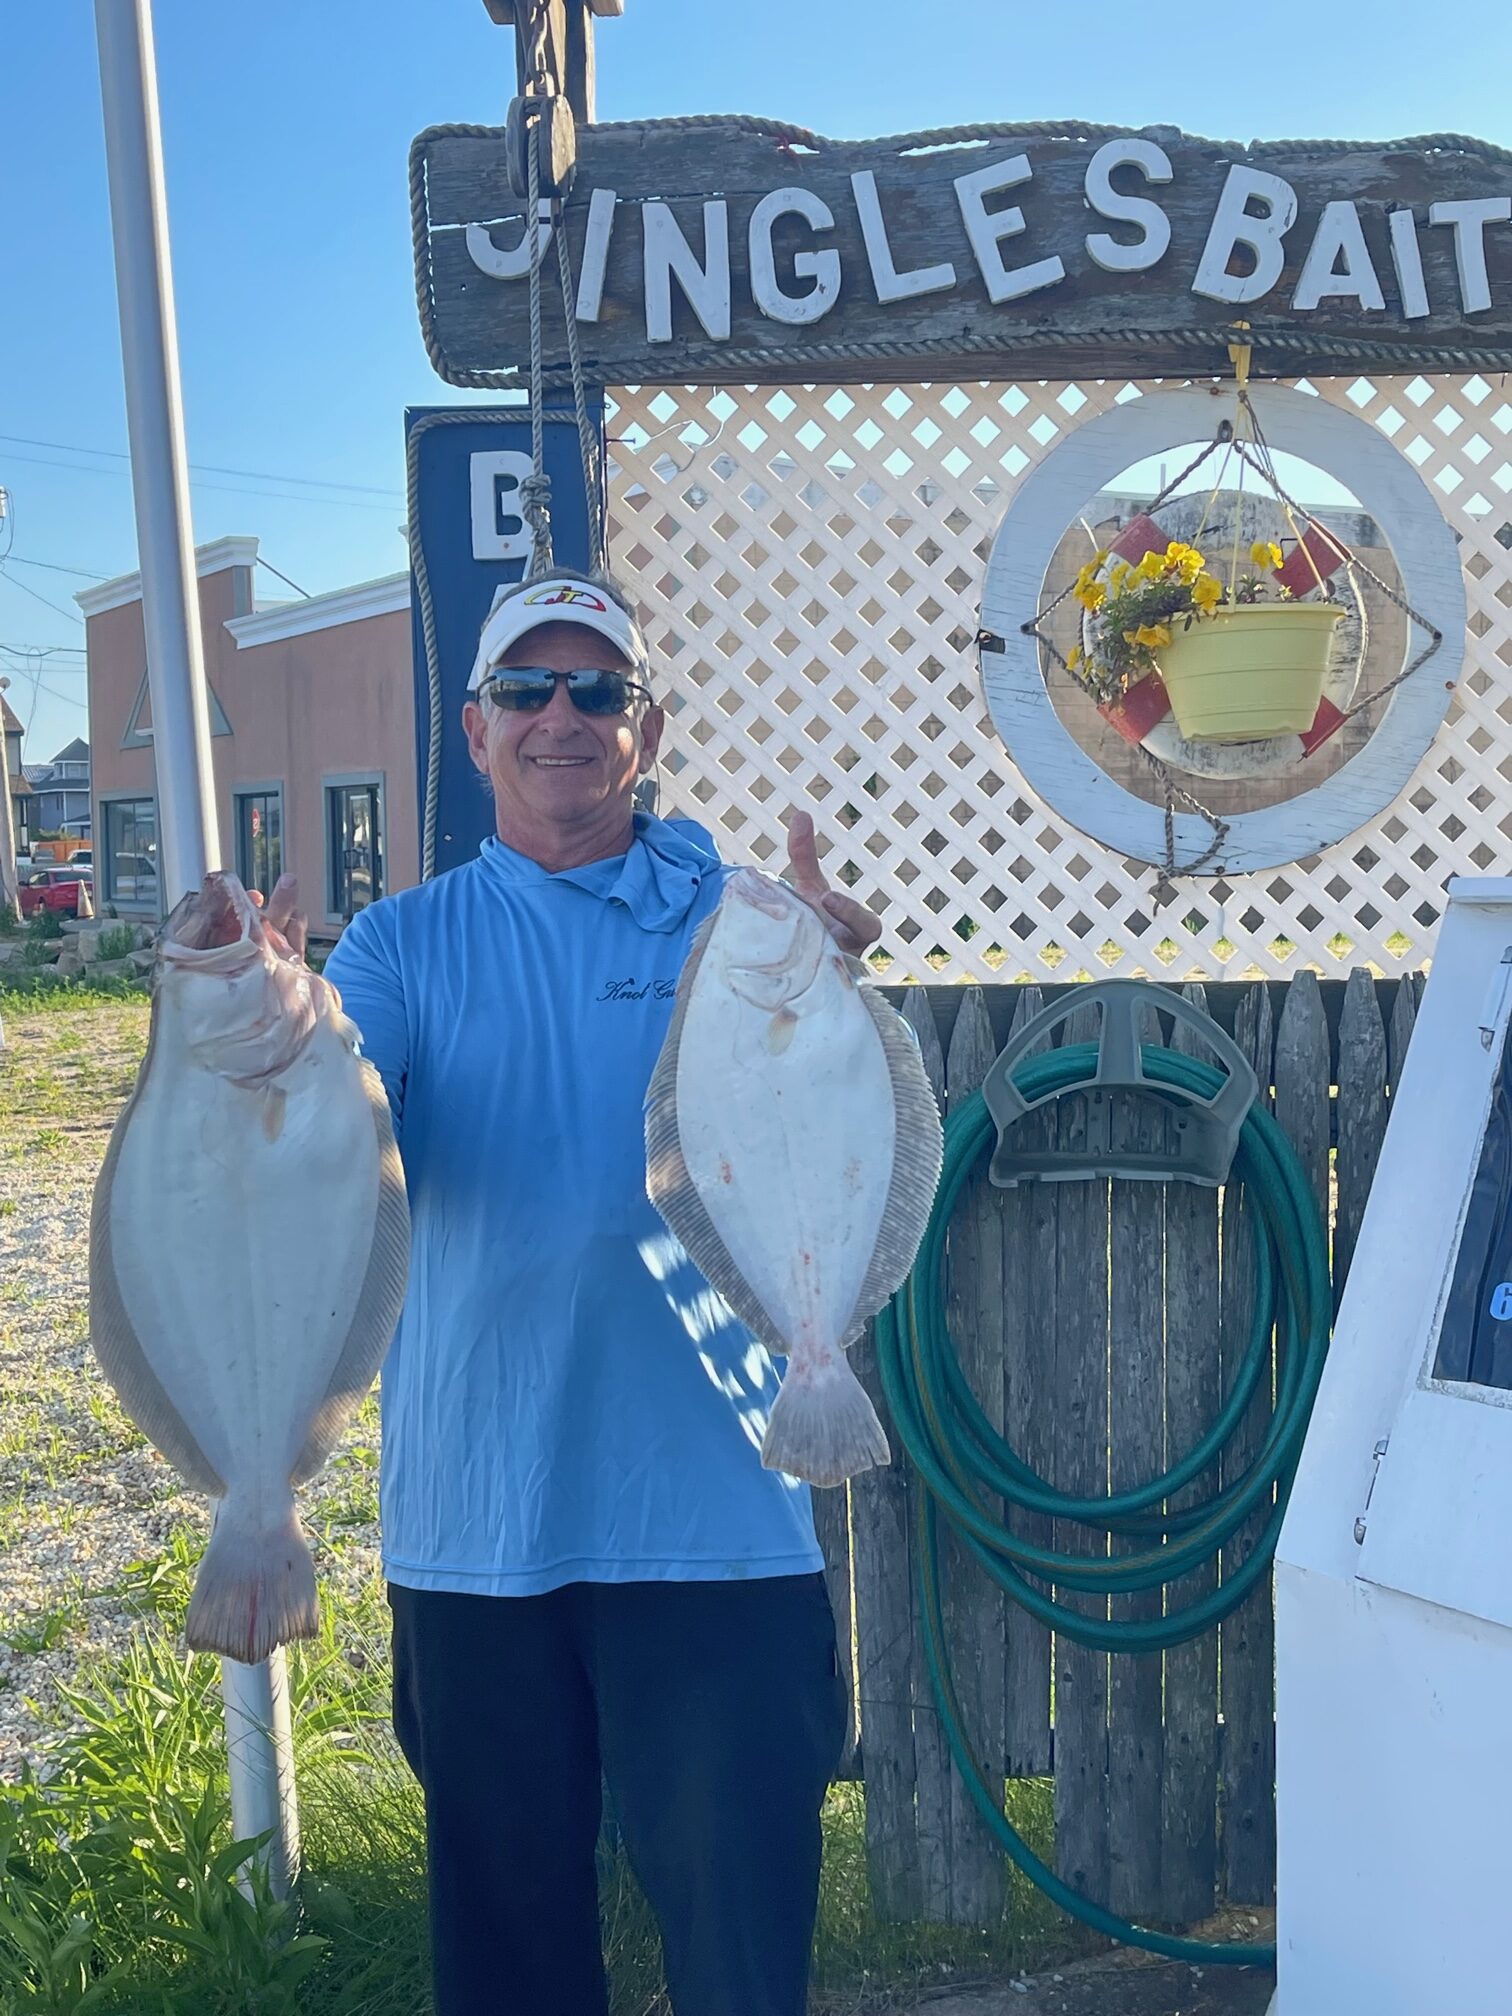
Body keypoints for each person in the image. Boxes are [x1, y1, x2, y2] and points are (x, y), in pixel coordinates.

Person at [314, 571, 885, 2016]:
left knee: (743, 1947)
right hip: (477, 1529)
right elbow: (338, 1130)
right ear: (475, 727)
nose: (561, 717)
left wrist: (837, 983)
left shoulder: (738, 922)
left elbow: (836, 1129)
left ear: (649, 723)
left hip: (721, 1526)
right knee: (509, 1959)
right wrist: (263, 1028)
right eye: (527, 689)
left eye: (598, 690)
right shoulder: (399, 944)